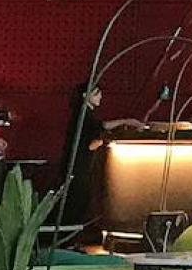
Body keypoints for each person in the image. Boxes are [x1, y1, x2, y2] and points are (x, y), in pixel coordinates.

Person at [60, 84, 145, 227]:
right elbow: (99, 129)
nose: (101, 96)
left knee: (79, 201)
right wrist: (126, 121)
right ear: (85, 96)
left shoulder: (83, 114)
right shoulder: (82, 115)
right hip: (77, 167)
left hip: (80, 166)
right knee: (76, 202)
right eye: (96, 93)